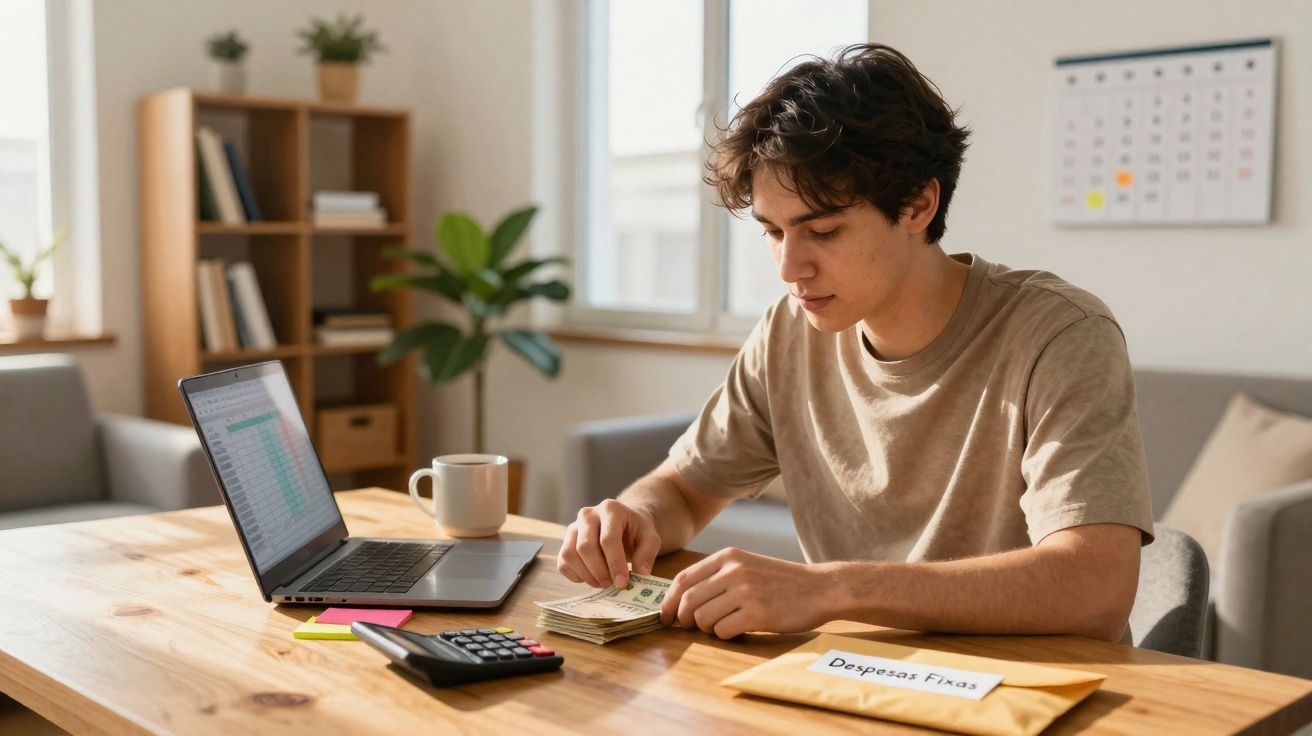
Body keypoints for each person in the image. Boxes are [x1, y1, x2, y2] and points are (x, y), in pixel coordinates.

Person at [556, 43, 1153, 643]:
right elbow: (682, 493)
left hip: (1029, 693)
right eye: (772, 232)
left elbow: (1095, 586)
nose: (790, 267)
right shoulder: (789, 333)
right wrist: (634, 517)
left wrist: (832, 589)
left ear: (919, 203)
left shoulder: (1059, 334)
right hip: (848, 682)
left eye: (822, 230)